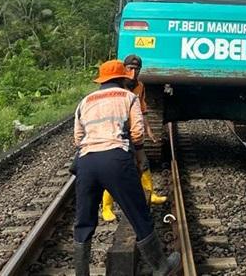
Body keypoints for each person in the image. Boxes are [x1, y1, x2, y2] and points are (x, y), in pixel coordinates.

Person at [73, 60, 180, 275]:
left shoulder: (85, 101)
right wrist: (140, 156)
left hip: (86, 162)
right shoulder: (128, 97)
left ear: (101, 80)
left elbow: (78, 138)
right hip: (115, 160)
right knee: (138, 213)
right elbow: (138, 132)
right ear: (123, 78)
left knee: (83, 221)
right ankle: (161, 266)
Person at [101, 55, 168, 222]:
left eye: (136, 69)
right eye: (130, 68)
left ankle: (150, 194)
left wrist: (148, 129)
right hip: (117, 132)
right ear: (124, 69)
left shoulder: (140, 87)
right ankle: (107, 207)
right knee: (115, 169)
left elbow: (142, 110)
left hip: (133, 130)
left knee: (143, 164)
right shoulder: (119, 85)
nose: (133, 72)